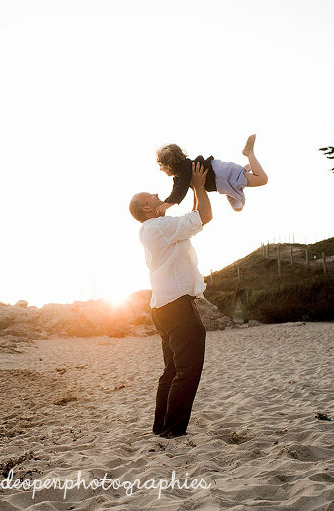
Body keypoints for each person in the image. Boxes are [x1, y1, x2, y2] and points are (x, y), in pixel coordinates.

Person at [129, 162, 212, 438]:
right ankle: (173, 431)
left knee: (173, 370)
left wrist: (192, 191)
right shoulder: (160, 227)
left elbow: (192, 219)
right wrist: (198, 186)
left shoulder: (153, 229)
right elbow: (204, 216)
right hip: (176, 306)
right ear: (146, 209)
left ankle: (161, 428)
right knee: (187, 371)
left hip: (162, 306)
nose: (157, 194)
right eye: (151, 197)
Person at [155, 134, 268, 214]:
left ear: (170, 164)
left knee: (262, 179)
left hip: (222, 174)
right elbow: (179, 190)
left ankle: (249, 154)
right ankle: (243, 171)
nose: (160, 169)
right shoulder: (180, 175)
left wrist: (169, 204)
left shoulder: (184, 169)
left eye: (161, 165)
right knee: (238, 207)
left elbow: (180, 190)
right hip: (221, 182)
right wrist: (165, 203)